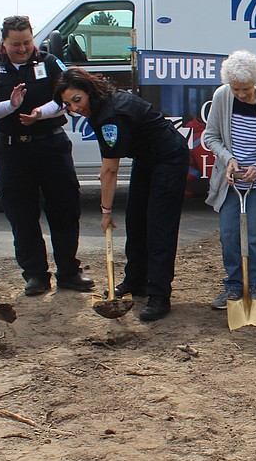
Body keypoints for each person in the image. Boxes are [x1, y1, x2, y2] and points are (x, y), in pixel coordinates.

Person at [55, 67, 189, 322]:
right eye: (68, 104)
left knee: (159, 226)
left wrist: (105, 211)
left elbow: (110, 169)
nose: (74, 108)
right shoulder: (99, 107)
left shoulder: (109, 115)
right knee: (136, 220)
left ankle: (159, 294)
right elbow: (108, 167)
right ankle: (135, 281)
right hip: (146, 157)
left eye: (77, 100)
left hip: (168, 156)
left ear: (89, 91)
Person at [0, 15, 94, 297]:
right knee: (21, 215)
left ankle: (69, 272)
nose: (23, 49)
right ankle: (35, 275)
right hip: (11, 149)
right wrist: (12, 106)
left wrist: (39, 113)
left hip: (50, 145)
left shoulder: (49, 62)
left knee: (65, 210)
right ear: (4, 42)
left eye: (27, 42)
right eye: (16, 44)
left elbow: (65, 99)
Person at [202, 50, 256, 309]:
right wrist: (228, 159)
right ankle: (232, 286)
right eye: (235, 88)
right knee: (229, 234)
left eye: (246, 89)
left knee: (255, 236)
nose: (240, 94)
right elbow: (211, 137)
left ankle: (254, 286)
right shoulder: (221, 97)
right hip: (230, 181)